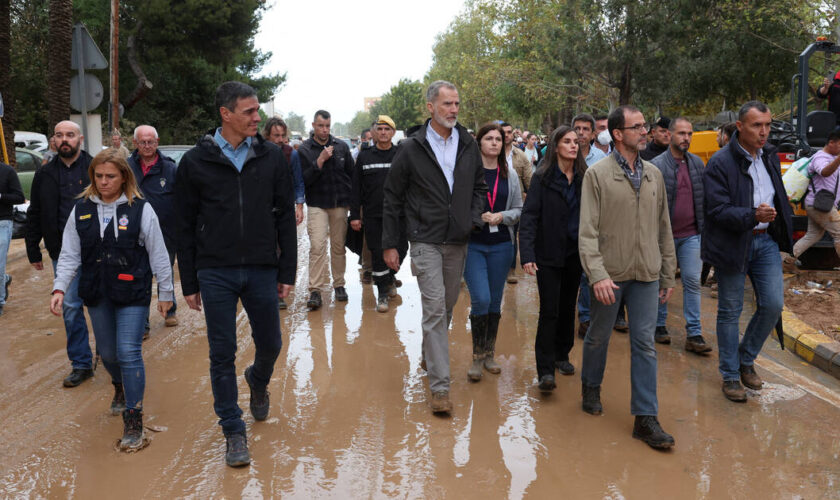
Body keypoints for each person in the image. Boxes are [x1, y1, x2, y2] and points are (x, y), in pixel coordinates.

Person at [175, 81, 297, 466]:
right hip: (215, 270)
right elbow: (184, 224)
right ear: (225, 114)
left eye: (257, 110)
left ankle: (258, 380)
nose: (257, 117)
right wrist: (190, 280)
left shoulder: (272, 158)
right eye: (249, 111)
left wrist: (287, 270)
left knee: (272, 344)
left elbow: (285, 220)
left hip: (262, 267)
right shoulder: (195, 162)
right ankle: (233, 429)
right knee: (221, 353)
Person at [49, 149, 173, 451]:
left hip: (132, 291)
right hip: (96, 291)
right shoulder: (80, 210)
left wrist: (166, 293)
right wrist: (59, 288)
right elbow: (69, 255)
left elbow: (159, 252)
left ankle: (134, 416)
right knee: (107, 353)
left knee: (128, 351)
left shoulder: (141, 209)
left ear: (123, 177)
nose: (104, 182)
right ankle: (119, 385)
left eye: (110, 176)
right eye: (99, 176)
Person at [382, 80, 486, 414]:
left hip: (457, 239)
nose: (454, 110)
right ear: (430, 107)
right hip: (425, 239)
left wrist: (471, 219)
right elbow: (393, 197)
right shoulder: (412, 148)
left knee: (450, 304)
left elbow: (479, 187)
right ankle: (440, 388)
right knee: (435, 309)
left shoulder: (468, 144)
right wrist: (390, 244)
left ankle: (430, 354)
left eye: (457, 104)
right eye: (447, 105)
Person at [579, 105, 677, 449]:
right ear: (618, 134)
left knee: (644, 344)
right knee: (598, 336)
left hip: (647, 274)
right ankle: (590, 386)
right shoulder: (597, 175)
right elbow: (587, 232)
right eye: (637, 127)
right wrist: (597, 274)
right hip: (611, 275)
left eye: (644, 126)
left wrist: (667, 274)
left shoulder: (653, 175)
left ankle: (646, 418)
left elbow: (664, 228)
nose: (644, 132)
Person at [702, 101, 793, 403]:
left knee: (772, 304)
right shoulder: (720, 162)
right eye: (757, 125)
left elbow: (777, 193)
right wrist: (753, 214)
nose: (764, 131)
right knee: (730, 311)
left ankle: (744, 358)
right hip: (733, 242)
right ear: (740, 127)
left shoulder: (768, 155)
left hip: (765, 241)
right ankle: (730, 376)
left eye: (767, 125)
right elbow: (716, 210)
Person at [26, 120, 94, 388]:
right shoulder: (44, 174)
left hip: (98, 249)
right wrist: (33, 248)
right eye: (59, 136)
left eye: (70, 135)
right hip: (62, 252)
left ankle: (111, 355)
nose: (64, 140)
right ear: (53, 140)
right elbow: (35, 212)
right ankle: (81, 363)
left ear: (79, 139)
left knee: (102, 304)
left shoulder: (95, 168)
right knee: (70, 306)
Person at [520, 126, 585, 391]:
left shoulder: (584, 178)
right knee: (549, 310)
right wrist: (527, 254)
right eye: (567, 141)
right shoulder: (542, 178)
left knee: (569, 307)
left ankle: (562, 354)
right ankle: (545, 370)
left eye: (576, 142)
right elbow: (530, 217)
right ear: (556, 146)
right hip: (548, 254)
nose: (573, 146)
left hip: (575, 254)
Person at [462, 123, 521, 382]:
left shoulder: (511, 175)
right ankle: (476, 356)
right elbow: (458, 207)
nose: (495, 143)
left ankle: (489, 354)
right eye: (489, 138)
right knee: (481, 300)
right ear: (479, 143)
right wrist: (478, 216)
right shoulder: (467, 173)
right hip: (473, 245)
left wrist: (502, 216)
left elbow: (519, 208)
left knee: (495, 301)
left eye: (499, 138)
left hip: (501, 246)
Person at [650, 117, 713, 353]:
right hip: (663, 237)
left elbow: (703, 199)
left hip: (691, 235)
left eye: (689, 133)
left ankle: (694, 334)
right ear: (670, 135)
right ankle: (659, 326)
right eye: (681, 133)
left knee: (692, 281)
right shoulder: (656, 165)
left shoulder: (697, 164)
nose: (686, 138)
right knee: (661, 281)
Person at [349, 115, 407, 312]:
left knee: (401, 249)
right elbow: (356, 188)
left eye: (387, 129)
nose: (383, 132)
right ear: (374, 132)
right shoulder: (364, 157)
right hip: (374, 215)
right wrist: (355, 215)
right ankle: (382, 293)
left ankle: (390, 278)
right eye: (379, 129)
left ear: (392, 132)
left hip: (399, 216)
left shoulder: (401, 155)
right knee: (377, 253)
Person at [298, 110, 354, 310]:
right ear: (314, 125)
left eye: (327, 126)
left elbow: (351, 174)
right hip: (317, 205)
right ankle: (315, 290)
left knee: (338, 247)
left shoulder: (341, 146)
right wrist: (319, 161)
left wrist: (352, 203)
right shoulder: (305, 149)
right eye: (321, 125)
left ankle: (339, 285)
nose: (324, 129)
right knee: (317, 247)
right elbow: (303, 180)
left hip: (339, 204)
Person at [127, 125, 179, 333]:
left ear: (157, 143)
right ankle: (143, 321)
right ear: (135, 144)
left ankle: (170, 309)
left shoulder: (170, 168)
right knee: (140, 275)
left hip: (166, 230)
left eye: (150, 142)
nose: (147, 146)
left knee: (164, 269)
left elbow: (181, 200)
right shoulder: (126, 168)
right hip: (133, 231)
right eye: (142, 142)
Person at [263, 117, 307, 311]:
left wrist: (299, 206)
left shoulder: (291, 154)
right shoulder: (259, 153)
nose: (280, 140)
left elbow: (298, 182)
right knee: (267, 250)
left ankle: (280, 291)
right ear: (267, 136)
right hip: (262, 210)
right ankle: (268, 289)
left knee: (284, 251)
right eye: (276, 136)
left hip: (284, 210)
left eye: (283, 135)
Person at [571, 113, 607, 340]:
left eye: (586, 129)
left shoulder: (602, 160)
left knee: (588, 273)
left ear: (593, 133)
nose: (581, 133)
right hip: (569, 222)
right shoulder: (564, 154)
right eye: (577, 128)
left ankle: (585, 318)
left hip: (593, 223)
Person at [792, 129, 840, 260]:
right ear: (831, 143)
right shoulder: (820, 157)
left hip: (820, 204)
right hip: (819, 205)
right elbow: (824, 172)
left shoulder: (833, 158)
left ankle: (788, 259)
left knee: (813, 235)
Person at [501, 121, 531, 284]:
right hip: (493, 201)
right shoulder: (487, 152)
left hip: (514, 202)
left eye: (509, 132)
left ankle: (511, 270)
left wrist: (530, 196)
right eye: (503, 132)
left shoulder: (520, 155)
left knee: (512, 236)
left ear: (513, 134)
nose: (506, 135)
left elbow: (529, 180)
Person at [0, 159, 25, 315]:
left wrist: (1, 196)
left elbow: (19, 197)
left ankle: (0, 301)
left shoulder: (7, 171)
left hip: (2, 221)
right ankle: (4, 278)